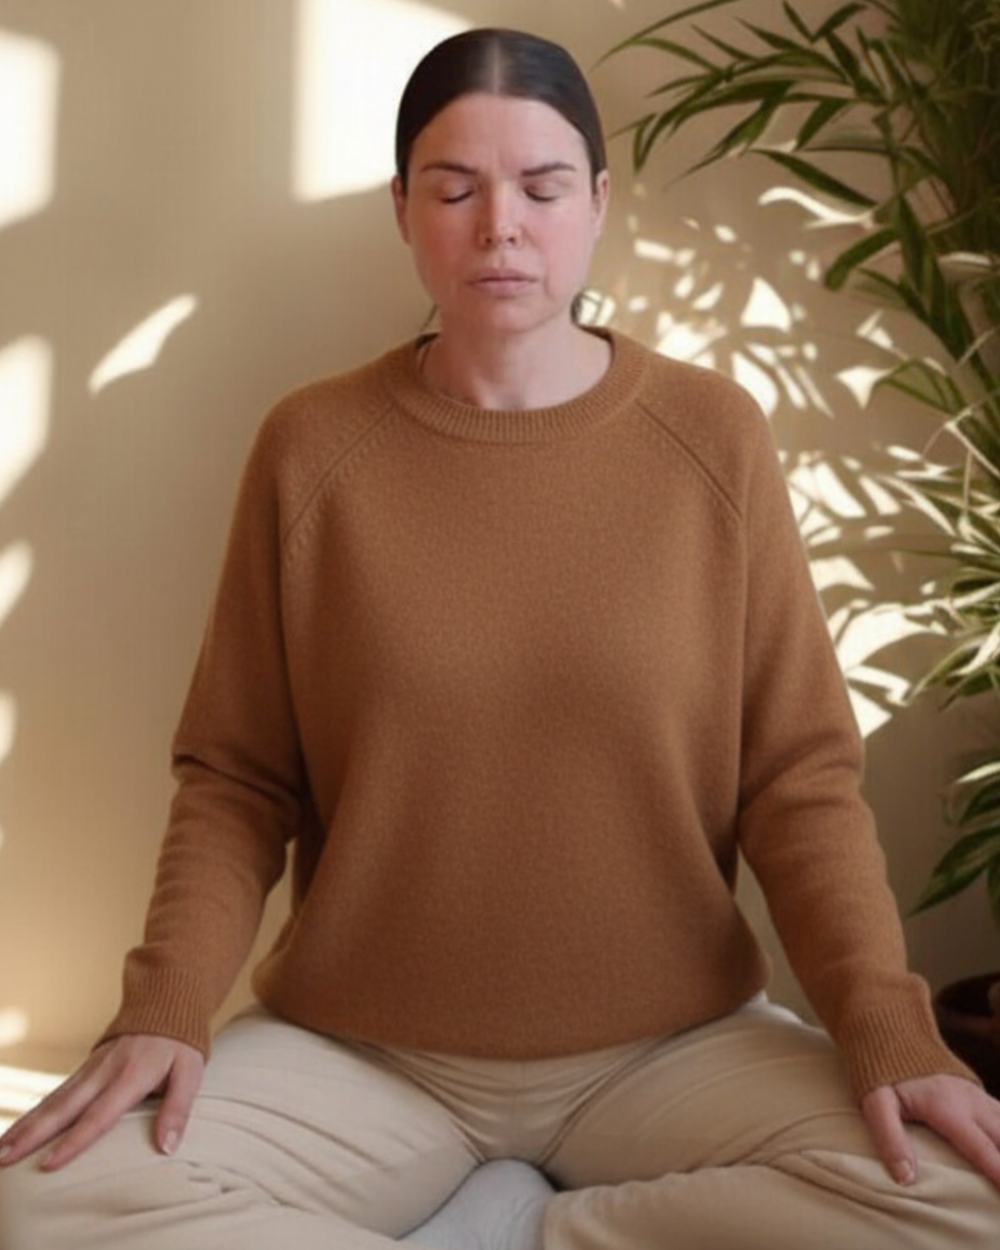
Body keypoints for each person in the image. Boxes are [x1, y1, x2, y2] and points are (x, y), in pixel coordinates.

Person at [1, 26, 999, 1250]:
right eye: (454, 188)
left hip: (671, 1048)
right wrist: (162, 1007)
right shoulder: (314, 448)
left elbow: (797, 778)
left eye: (538, 186)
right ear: (403, 210)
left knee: (961, 1197)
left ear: (595, 202)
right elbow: (237, 777)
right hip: (363, 1053)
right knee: (43, 1194)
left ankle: (532, 1233)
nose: (499, 227)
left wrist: (889, 1028)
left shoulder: (711, 437)